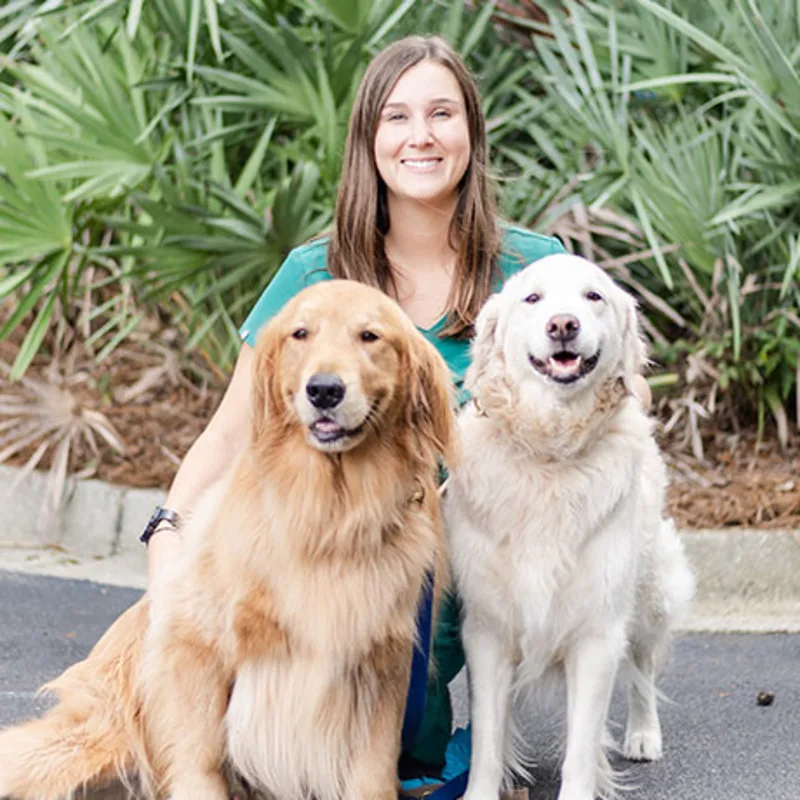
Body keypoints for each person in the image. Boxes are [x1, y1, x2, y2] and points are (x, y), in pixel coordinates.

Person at [143, 34, 652, 788]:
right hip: (346, 587)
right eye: (397, 116)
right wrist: (167, 546)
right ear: (368, 141)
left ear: (472, 136)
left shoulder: (534, 272)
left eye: (443, 114)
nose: (421, 136)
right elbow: (229, 435)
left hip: (468, 591)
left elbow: (623, 397)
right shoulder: (313, 276)